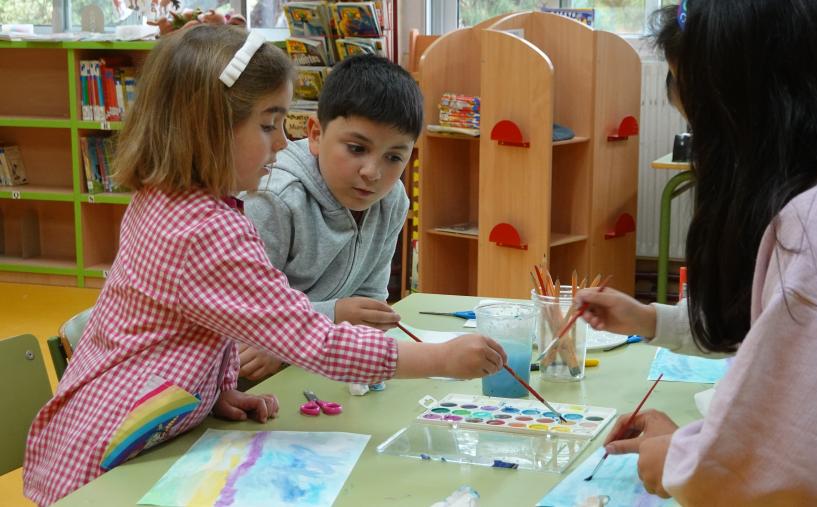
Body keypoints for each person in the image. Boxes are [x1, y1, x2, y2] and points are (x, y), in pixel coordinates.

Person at [22, 26, 506, 506]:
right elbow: (312, 340)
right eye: (268, 124)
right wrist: (441, 361)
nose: (280, 143)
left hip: (128, 426)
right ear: (208, 125)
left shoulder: (164, 200)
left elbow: (173, 328)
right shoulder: (206, 230)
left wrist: (206, 391)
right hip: (103, 464)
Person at [576, 0, 817, 503]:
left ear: (761, 110)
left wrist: (676, 461)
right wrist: (690, 443)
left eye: (703, 126)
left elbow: (777, 470)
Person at [238, 55, 417, 383]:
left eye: (394, 157)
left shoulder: (392, 201)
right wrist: (333, 314)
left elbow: (368, 302)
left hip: (315, 367)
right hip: (247, 380)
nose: (372, 173)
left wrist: (352, 320)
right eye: (356, 148)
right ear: (316, 135)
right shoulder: (273, 198)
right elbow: (242, 315)